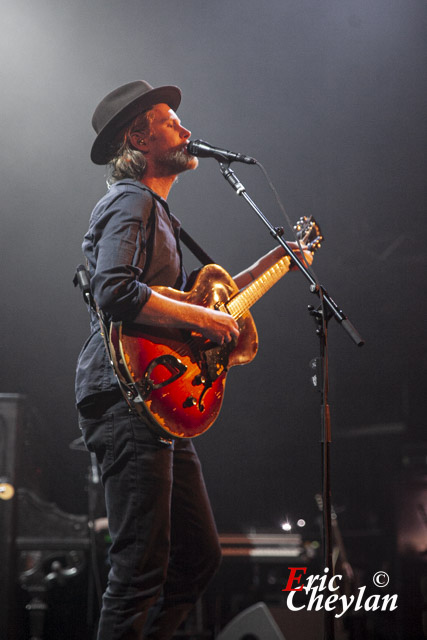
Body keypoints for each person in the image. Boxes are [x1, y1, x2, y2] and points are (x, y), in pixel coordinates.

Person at [75, 80, 311, 640]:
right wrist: (209, 321)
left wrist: (278, 263)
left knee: (196, 560)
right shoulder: (131, 200)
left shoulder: (157, 213)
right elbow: (114, 291)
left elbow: (188, 308)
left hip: (155, 403)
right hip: (126, 399)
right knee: (138, 572)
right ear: (138, 135)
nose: (186, 129)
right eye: (170, 121)